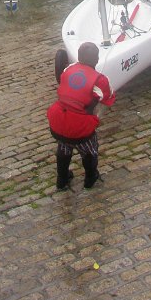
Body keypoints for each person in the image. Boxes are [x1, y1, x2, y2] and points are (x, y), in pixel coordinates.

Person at [47, 42, 116, 190]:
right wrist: (95, 118)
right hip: (78, 125)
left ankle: (62, 179)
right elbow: (108, 99)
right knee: (90, 150)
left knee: (64, 145)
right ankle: (90, 178)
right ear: (96, 59)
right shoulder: (100, 80)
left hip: (57, 119)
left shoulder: (69, 69)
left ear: (78, 57)